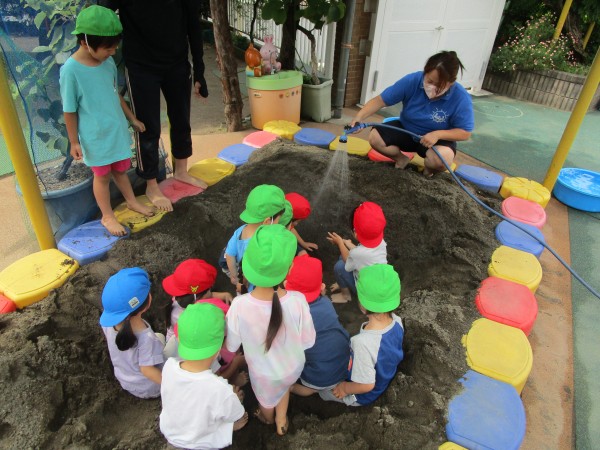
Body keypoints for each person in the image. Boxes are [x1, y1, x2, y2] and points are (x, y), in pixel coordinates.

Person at [100, 0, 210, 212]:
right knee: (147, 126)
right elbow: (102, 13)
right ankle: (151, 185)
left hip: (176, 62)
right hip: (141, 66)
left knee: (181, 118)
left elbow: (193, 25)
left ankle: (181, 171)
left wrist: (200, 72)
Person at [59, 5, 154, 237]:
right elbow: (69, 110)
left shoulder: (107, 62)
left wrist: (131, 119)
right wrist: (74, 142)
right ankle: (107, 215)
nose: (112, 52)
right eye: (107, 48)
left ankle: (132, 201)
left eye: (114, 47)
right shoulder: (71, 70)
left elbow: (114, 94)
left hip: (116, 130)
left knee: (121, 171)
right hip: (95, 136)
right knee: (101, 176)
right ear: (85, 42)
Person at [225, 225, 316, 436]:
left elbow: (232, 346)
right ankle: (281, 420)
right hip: (292, 367)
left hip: (264, 374)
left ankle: (267, 418)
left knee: (267, 401)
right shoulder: (298, 300)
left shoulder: (239, 305)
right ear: (289, 269)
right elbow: (307, 341)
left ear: (247, 267)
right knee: (283, 386)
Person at [351, 51, 474, 176]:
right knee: (375, 137)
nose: (433, 87)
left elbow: (465, 133)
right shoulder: (412, 80)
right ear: (425, 72)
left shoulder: (461, 97)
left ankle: (428, 172)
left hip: (436, 140)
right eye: (430, 81)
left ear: (451, 83)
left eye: (439, 85)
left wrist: (437, 134)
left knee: (442, 159)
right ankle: (401, 159)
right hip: (407, 129)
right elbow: (380, 100)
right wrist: (359, 117)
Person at [160, 303, 248, 449]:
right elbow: (237, 414)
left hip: (172, 435)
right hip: (201, 443)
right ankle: (226, 429)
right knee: (236, 402)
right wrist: (235, 398)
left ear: (180, 340)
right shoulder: (220, 389)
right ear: (219, 348)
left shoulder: (169, 366)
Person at [322, 264, 404, 406]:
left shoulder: (361, 343)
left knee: (323, 393)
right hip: (384, 374)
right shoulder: (397, 321)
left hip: (363, 395)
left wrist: (344, 388)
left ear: (364, 306)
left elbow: (366, 385)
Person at [162, 259, 247, 385]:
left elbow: (205, 295)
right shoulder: (200, 318)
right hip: (201, 358)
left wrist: (222, 294)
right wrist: (236, 362)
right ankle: (232, 379)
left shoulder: (180, 302)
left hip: (183, 350)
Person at [285, 255, 351, 397]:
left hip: (319, 375)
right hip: (346, 363)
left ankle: (291, 388)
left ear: (286, 287)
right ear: (321, 287)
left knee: (309, 389)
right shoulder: (326, 303)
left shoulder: (292, 316)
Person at [99, 267, 165, 398]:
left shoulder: (108, 325)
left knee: (160, 338)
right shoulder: (147, 338)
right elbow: (147, 370)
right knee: (169, 344)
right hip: (150, 388)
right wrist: (172, 386)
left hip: (126, 381)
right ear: (148, 302)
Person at [219, 184, 286, 294]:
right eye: (279, 218)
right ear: (268, 221)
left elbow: (229, 254)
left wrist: (234, 277)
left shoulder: (240, 230)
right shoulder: (262, 243)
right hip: (256, 285)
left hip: (242, 278)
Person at [327, 202, 388, 303]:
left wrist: (340, 243)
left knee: (340, 266)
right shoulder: (381, 243)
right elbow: (364, 254)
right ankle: (343, 282)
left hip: (367, 295)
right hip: (377, 283)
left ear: (355, 232)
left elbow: (349, 260)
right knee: (341, 256)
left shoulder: (358, 254)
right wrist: (347, 244)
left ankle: (345, 296)